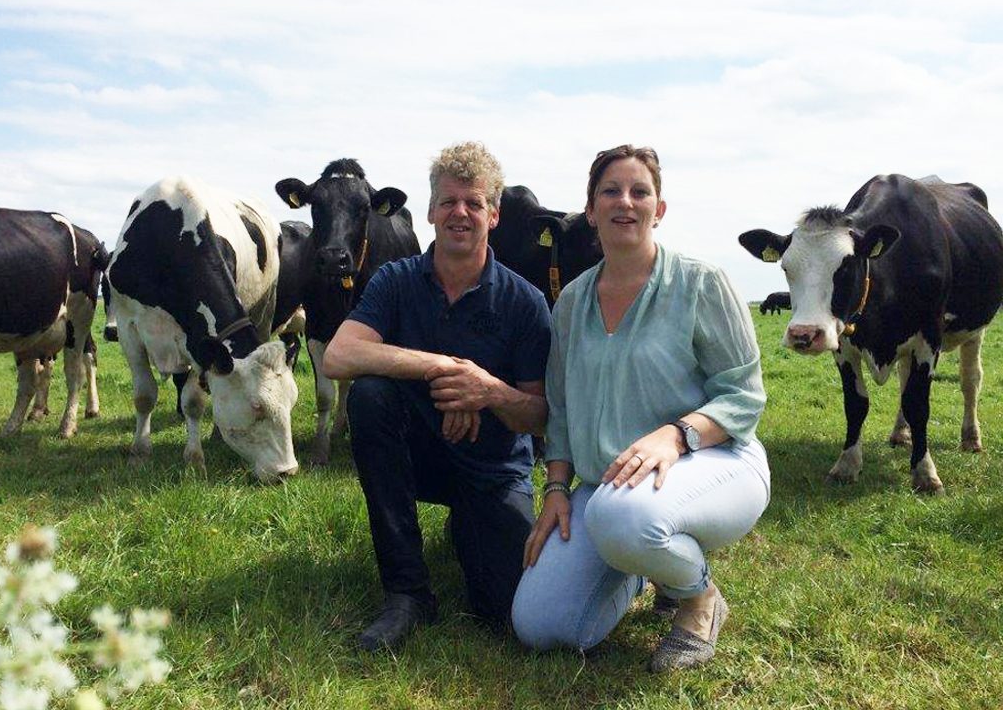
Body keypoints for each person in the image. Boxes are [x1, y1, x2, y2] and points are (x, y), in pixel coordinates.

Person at [510, 145, 769, 671]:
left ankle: (697, 598)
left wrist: (674, 435)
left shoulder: (701, 283)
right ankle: (641, 564)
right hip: (608, 487)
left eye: (639, 191)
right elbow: (558, 410)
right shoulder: (571, 303)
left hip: (714, 462)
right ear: (591, 210)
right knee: (542, 627)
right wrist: (557, 488)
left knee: (620, 515)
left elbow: (743, 394)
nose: (624, 202)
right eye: (610, 191)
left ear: (660, 208)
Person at [323, 142, 552, 652]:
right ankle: (406, 592)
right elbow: (338, 356)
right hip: (420, 453)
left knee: (509, 609)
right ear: (429, 212)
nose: (460, 213)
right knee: (370, 395)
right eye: (448, 201)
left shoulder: (525, 302)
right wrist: (444, 370)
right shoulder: (397, 280)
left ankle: (471, 524)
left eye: (474, 203)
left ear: (494, 215)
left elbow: (539, 417)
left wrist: (486, 390)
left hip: (492, 466)